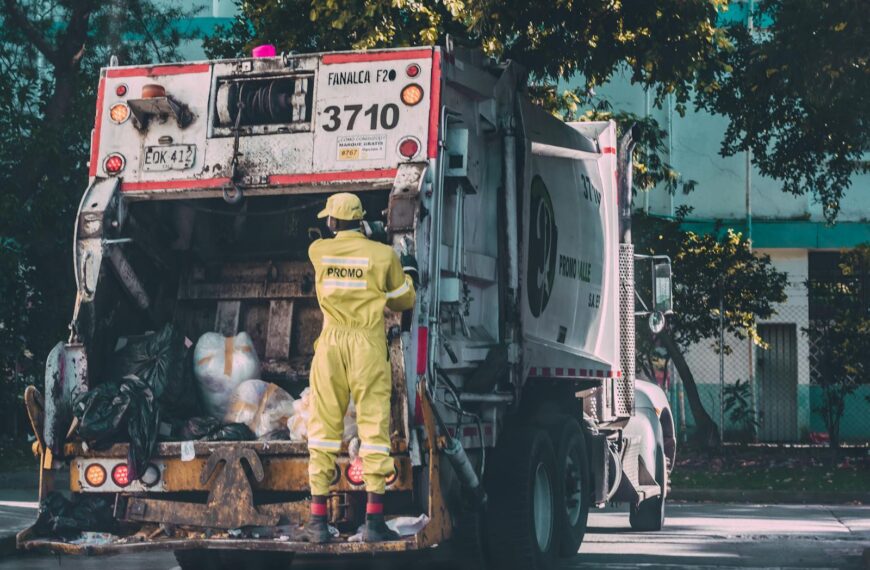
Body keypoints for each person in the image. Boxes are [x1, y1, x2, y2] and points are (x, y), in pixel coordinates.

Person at [304, 192, 417, 543]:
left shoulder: (318, 251)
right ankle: (374, 520)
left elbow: (329, 250)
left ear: (333, 223)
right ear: (363, 220)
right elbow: (405, 298)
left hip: (332, 343)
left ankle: (318, 522)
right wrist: (407, 267)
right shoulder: (382, 256)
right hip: (367, 344)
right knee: (373, 428)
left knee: (323, 429)